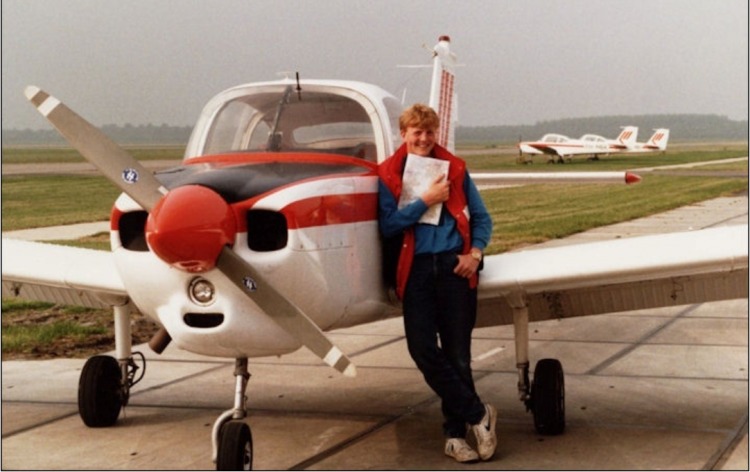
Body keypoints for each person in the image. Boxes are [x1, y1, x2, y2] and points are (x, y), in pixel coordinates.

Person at [377, 104, 496, 463]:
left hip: (453, 269)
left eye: (430, 132)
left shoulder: (456, 170)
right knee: (422, 350)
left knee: (459, 355)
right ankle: (479, 414)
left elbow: (482, 218)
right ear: (404, 134)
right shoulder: (387, 175)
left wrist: (474, 254)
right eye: (417, 132)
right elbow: (388, 226)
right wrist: (424, 202)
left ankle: (455, 436)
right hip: (415, 271)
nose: (425, 138)